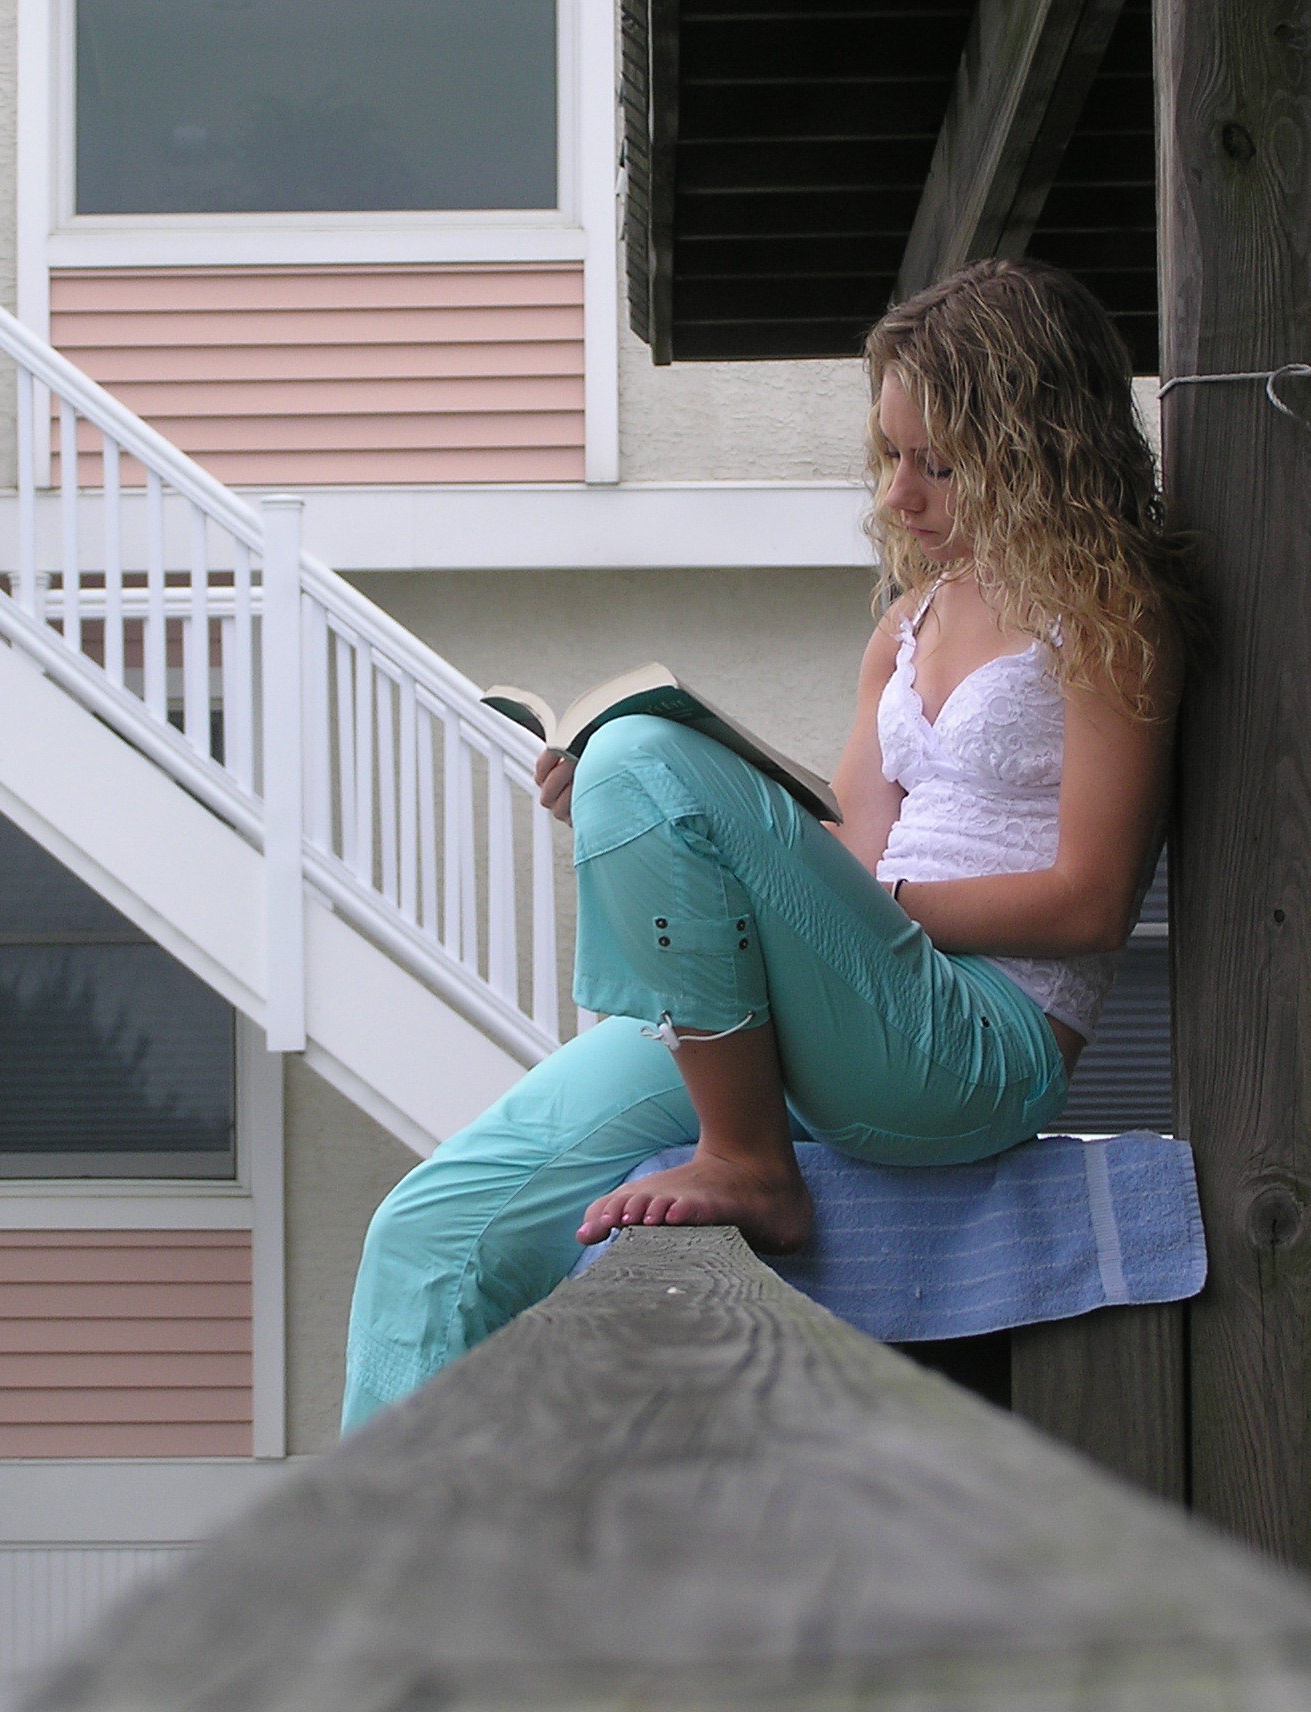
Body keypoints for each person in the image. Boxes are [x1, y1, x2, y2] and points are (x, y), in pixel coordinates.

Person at [339, 258, 1193, 1432]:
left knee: (648, 754)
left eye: (936, 462)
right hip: (837, 1016)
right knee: (432, 1230)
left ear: (1036, 442)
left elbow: (1089, 902)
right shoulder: (909, 624)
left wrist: (868, 911)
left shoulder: (1109, 610)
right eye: (888, 456)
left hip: (976, 1041)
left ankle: (746, 1161)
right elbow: (845, 845)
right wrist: (647, 822)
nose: (899, 495)